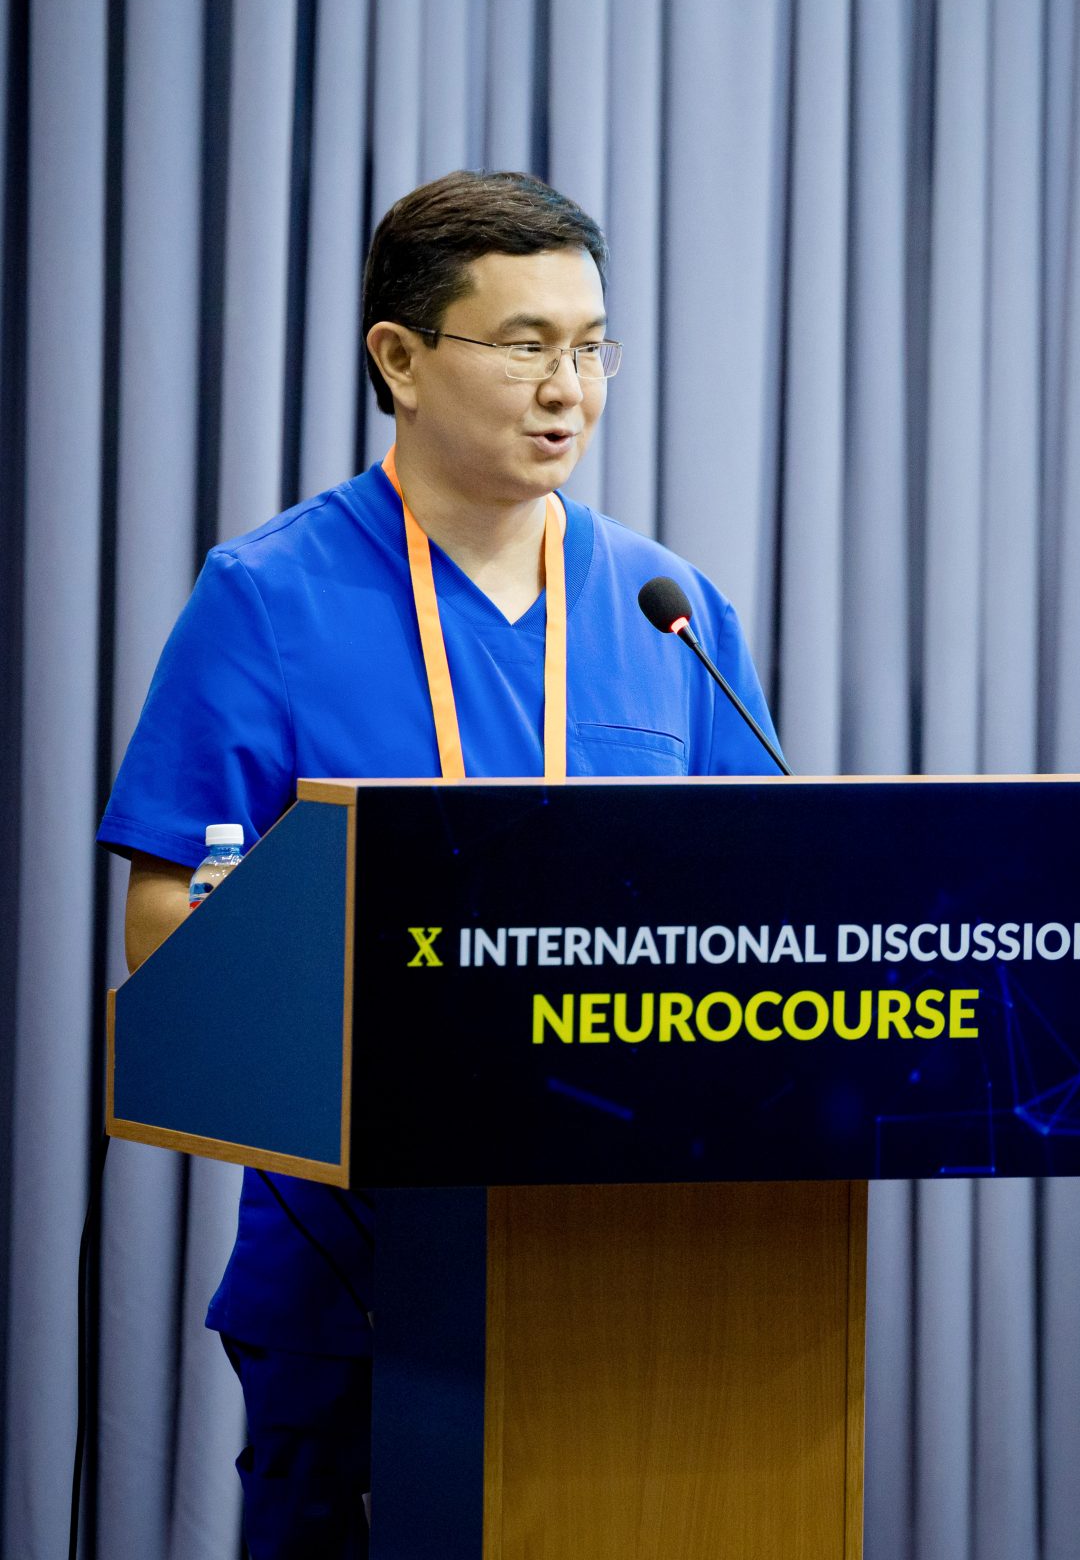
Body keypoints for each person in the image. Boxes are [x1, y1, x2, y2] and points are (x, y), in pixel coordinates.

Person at [98, 169, 780, 1558]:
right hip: (354, 1266)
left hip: (633, 1261)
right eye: (524, 346)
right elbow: (165, 912)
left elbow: (763, 901)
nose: (568, 390)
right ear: (399, 361)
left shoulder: (668, 608)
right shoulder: (268, 596)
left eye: (590, 348)